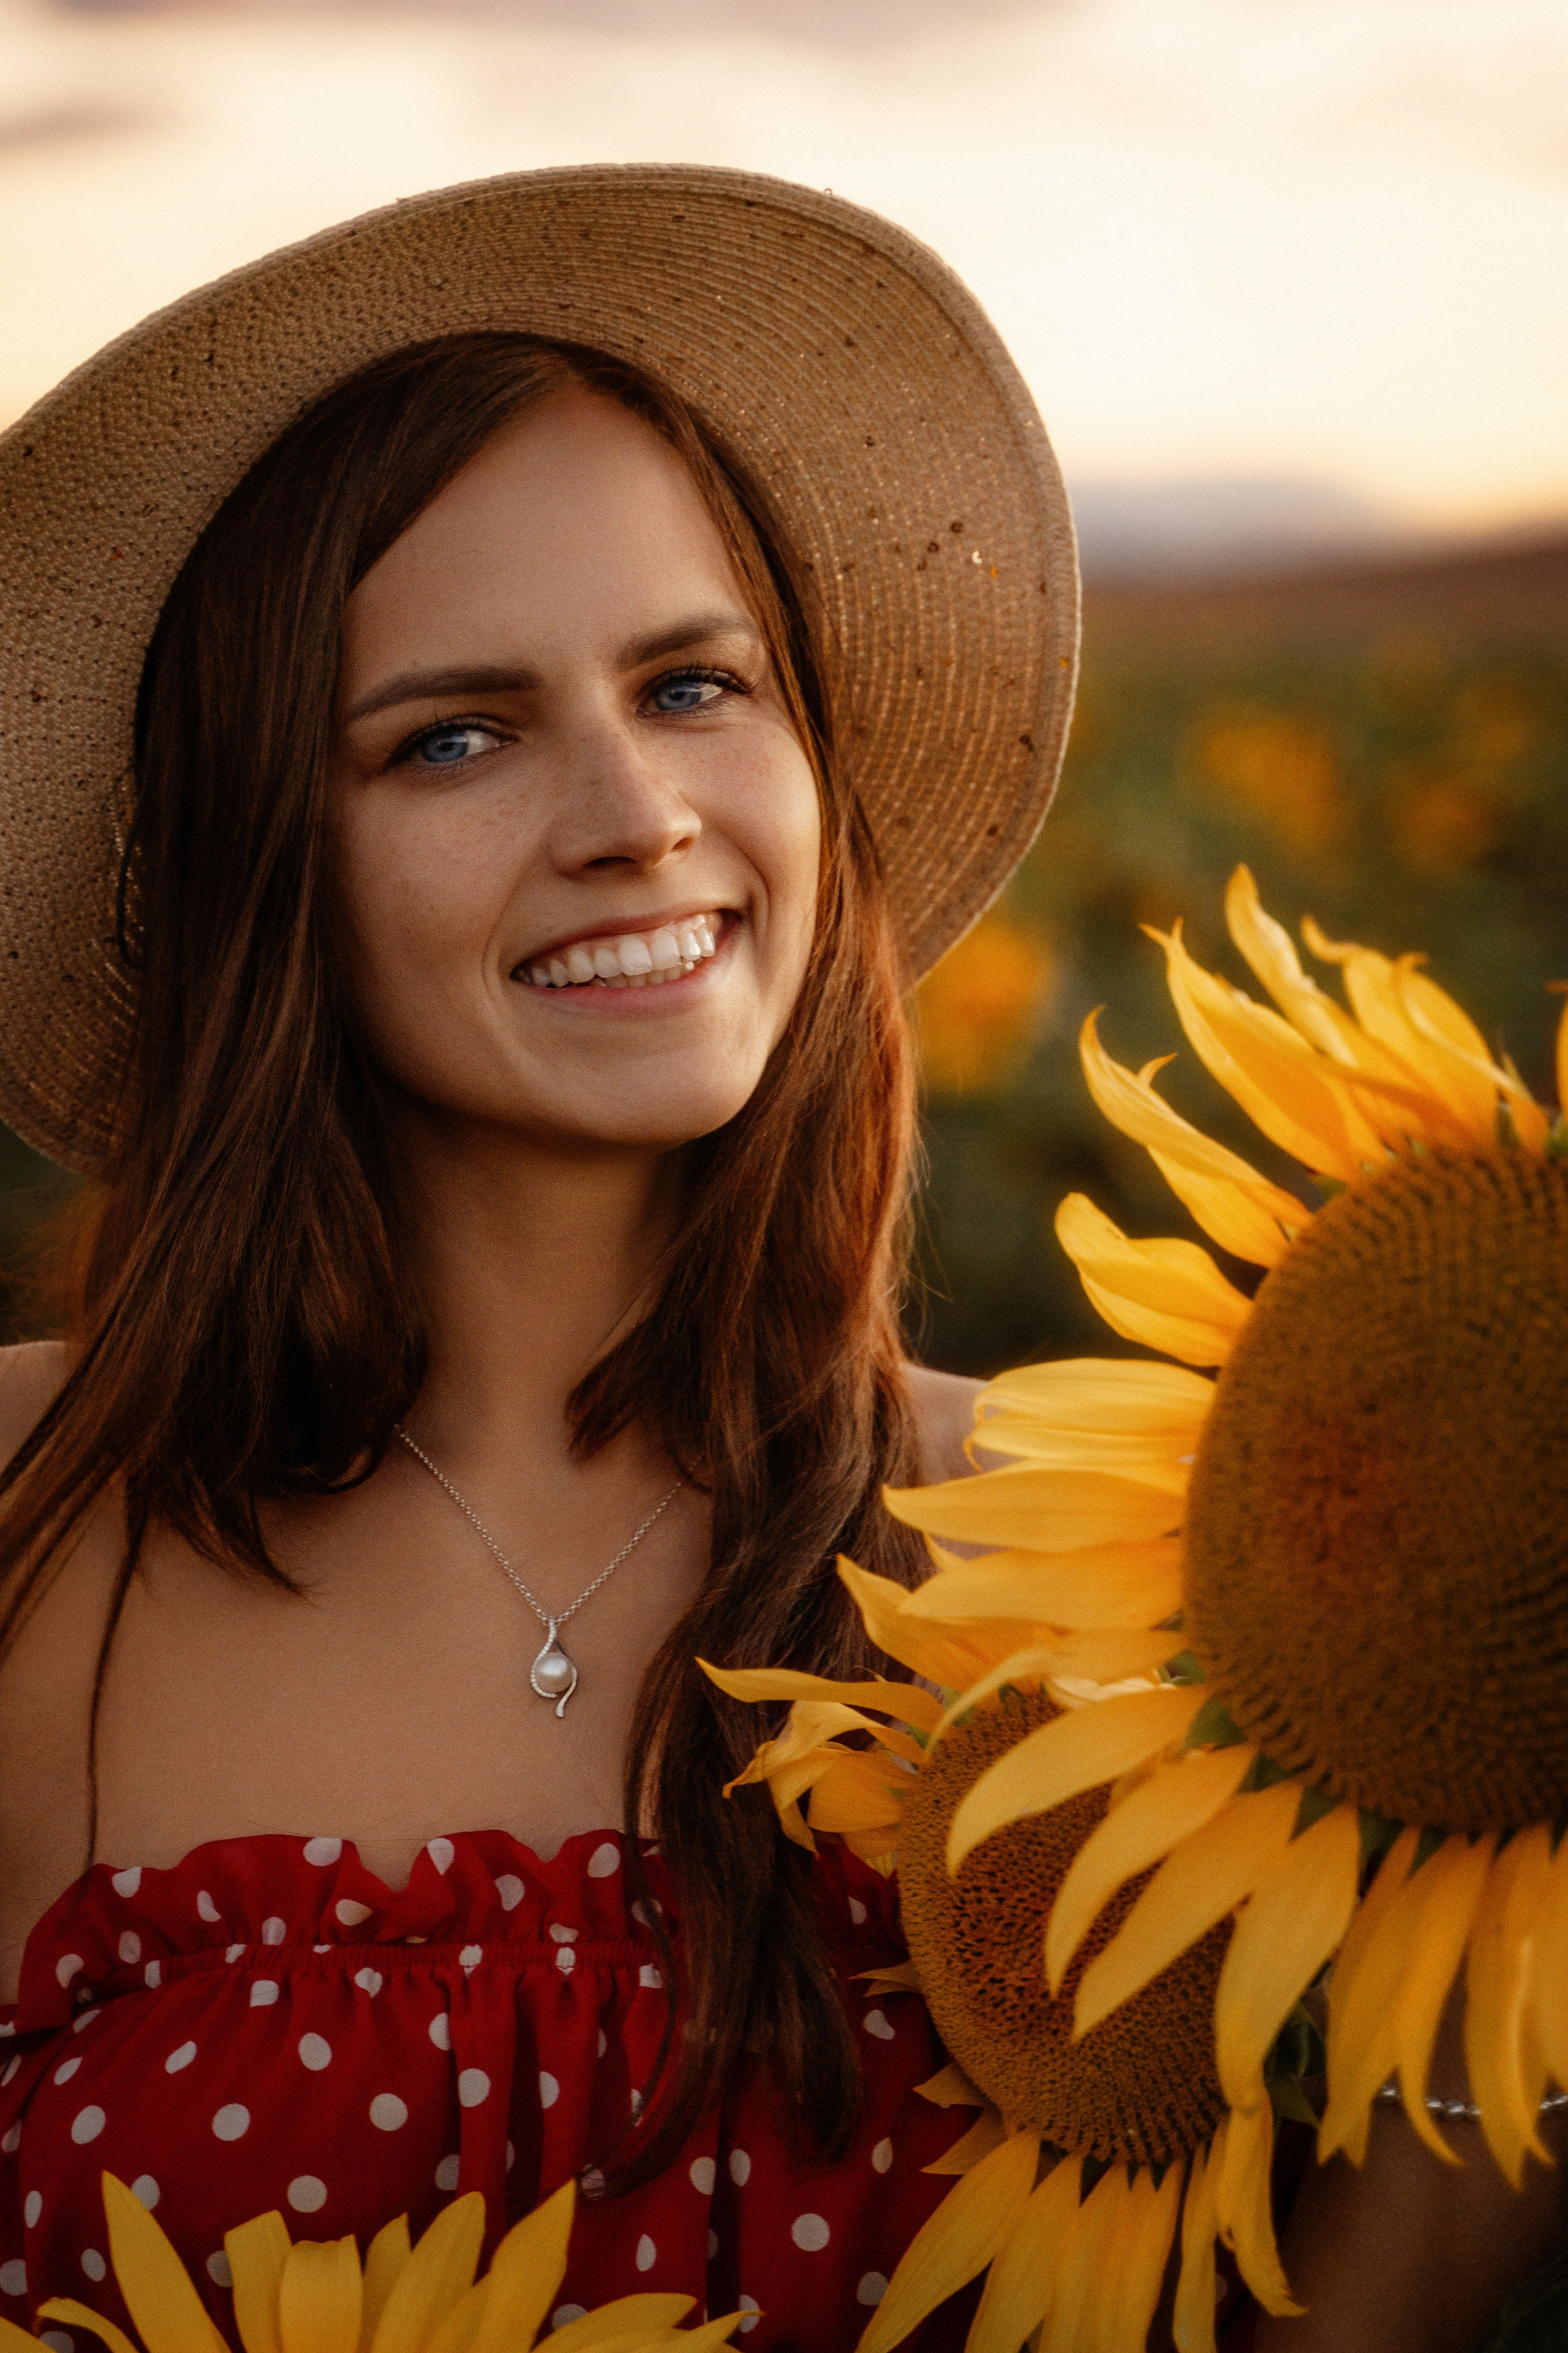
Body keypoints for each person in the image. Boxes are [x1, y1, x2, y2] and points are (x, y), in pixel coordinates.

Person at [0, 167, 1076, 2352]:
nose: (634, 812)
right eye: (457, 737)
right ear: (261, 866)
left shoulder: (1083, 1554)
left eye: (696, 684)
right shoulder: (24, 1529)